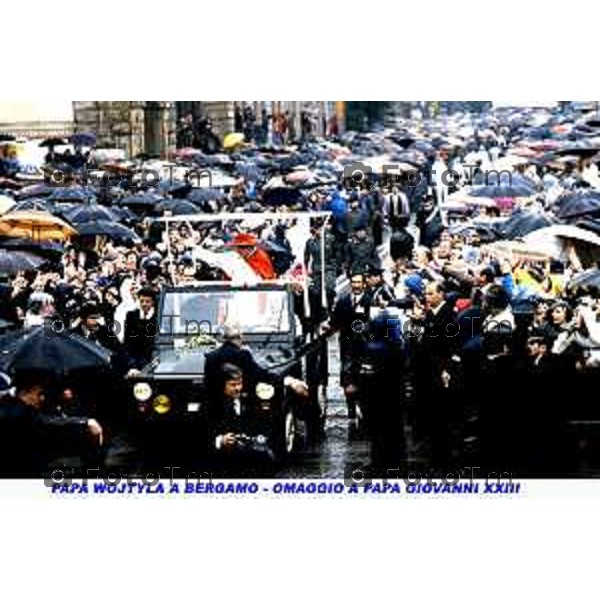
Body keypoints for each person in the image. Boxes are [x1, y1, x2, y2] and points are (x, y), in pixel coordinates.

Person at [0, 372, 103, 476]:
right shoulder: (17, 412)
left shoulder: (12, 406)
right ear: (23, 393)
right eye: (38, 394)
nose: (42, 398)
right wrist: (84, 422)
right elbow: (43, 421)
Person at [204, 325, 308, 401]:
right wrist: (287, 380)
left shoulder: (210, 356)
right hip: (241, 399)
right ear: (240, 338)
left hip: (215, 402)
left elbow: (208, 382)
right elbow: (259, 375)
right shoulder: (243, 354)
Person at [123, 287, 158, 370]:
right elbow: (127, 338)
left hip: (153, 357)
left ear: (153, 302)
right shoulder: (131, 315)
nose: (144, 304)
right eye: (141, 301)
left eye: (147, 301)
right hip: (135, 358)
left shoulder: (158, 317)